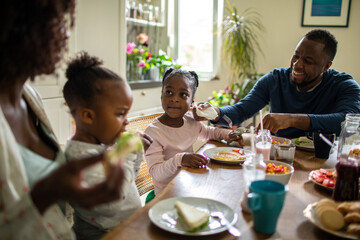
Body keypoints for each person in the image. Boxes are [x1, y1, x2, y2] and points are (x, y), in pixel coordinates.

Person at [0, 1, 125, 239]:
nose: (66, 33)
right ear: (16, 26)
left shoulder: (29, 96)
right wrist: (45, 194)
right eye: (56, 22)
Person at [194, 29, 360, 138]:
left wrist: (292, 119)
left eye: (308, 61)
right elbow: (241, 110)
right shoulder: (275, 79)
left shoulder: (344, 85)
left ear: (326, 66)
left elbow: (348, 121)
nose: (297, 65)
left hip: (320, 162)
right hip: (277, 156)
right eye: (296, 56)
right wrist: (214, 112)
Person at [63, 52, 152, 240]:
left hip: (129, 228)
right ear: (88, 116)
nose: (127, 122)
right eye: (120, 114)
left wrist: (136, 153)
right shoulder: (80, 161)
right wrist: (125, 153)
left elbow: (128, 182)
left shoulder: (100, 147)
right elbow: (112, 203)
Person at [144, 68, 244, 198]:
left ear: (192, 102)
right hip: (167, 194)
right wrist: (181, 159)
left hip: (188, 184)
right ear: (161, 95)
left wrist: (228, 135)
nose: (174, 99)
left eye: (183, 95)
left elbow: (209, 132)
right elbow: (156, 173)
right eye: (169, 92)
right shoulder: (153, 132)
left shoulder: (190, 120)